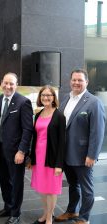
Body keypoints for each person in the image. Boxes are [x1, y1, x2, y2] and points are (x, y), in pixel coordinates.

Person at [55, 69, 106, 224]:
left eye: (80, 80)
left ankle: (83, 218)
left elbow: (97, 131)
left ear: (86, 82)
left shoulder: (94, 102)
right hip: (66, 153)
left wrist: (92, 155)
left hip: (83, 155)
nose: (76, 83)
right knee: (73, 185)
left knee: (86, 188)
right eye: (74, 80)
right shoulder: (65, 99)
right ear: (70, 81)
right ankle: (72, 211)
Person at [0, 72, 34, 224]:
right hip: (0, 148)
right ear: (1, 83)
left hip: (16, 151)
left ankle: (15, 213)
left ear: (16, 85)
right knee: (4, 180)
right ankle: (7, 207)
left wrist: (22, 151)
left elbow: (28, 130)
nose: (8, 86)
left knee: (16, 183)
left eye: (12, 84)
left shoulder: (24, 102)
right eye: (6, 83)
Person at [29, 86, 66, 224]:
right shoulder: (38, 114)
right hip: (39, 157)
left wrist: (59, 165)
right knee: (42, 188)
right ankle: (45, 213)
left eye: (49, 95)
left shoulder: (59, 116)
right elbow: (36, 138)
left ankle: (50, 216)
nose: (46, 98)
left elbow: (62, 142)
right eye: (43, 95)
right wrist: (31, 158)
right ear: (40, 97)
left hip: (52, 158)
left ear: (53, 98)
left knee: (51, 189)